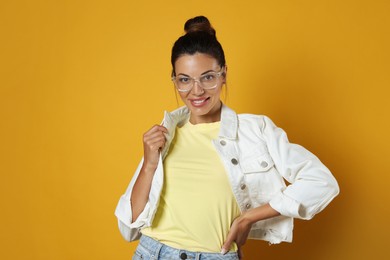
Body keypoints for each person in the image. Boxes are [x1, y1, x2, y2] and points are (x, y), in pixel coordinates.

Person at [115, 16, 339, 260]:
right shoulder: (165, 135)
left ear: (223, 74)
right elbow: (130, 227)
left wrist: (249, 218)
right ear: (175, 80)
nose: (196, 90)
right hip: (152, 252)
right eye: (185, 80)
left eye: (208, 77)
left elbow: (321, 182)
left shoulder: (255, 131)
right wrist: (149, 164)